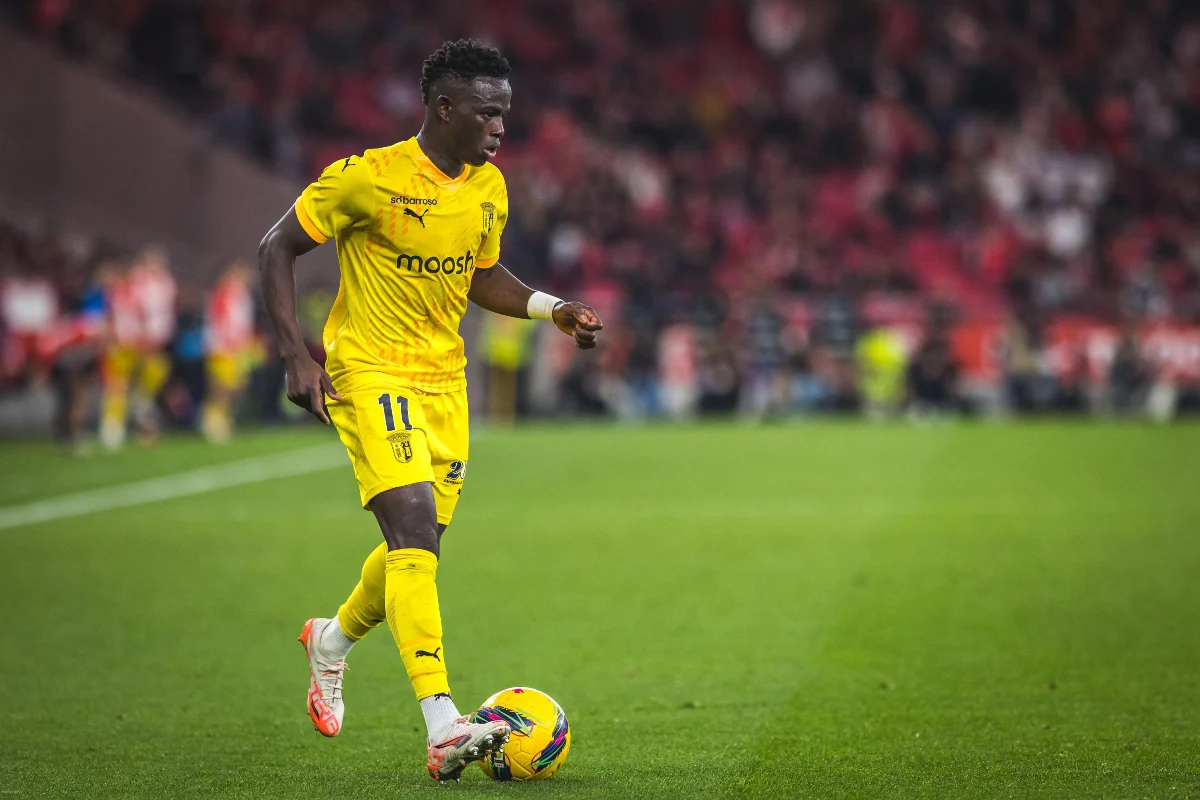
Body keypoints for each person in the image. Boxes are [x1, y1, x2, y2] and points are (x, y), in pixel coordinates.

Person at [256, 40, 603, 782]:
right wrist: (294, 355)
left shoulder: (489, 188)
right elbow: (276, 247)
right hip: (369, 369)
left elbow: (481, 275)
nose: (500, 126)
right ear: (444, 108)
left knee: (418, 547)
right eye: (487, 112)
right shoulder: (368, 178)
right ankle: (443, 723)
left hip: (445, 384)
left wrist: (553, 308)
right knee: (412, 528)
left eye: (505, 112)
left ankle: (331, 640)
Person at [202, 260, 257, 443]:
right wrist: (218, 344)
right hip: (222, 347)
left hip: (239, 348)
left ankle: (220, 417)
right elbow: (216, 323)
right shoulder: (221, 296)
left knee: (236, 386)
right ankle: (213, 420)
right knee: (221, 386)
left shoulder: (244, 298)